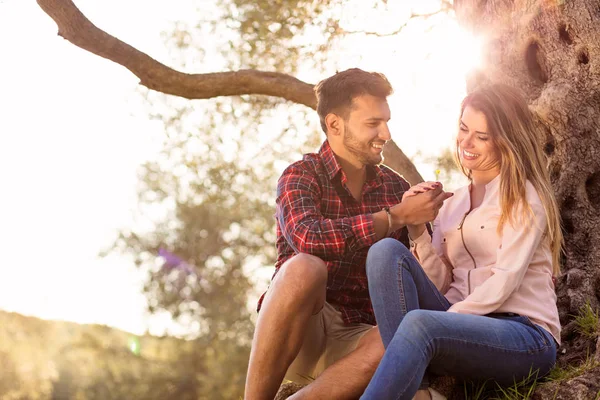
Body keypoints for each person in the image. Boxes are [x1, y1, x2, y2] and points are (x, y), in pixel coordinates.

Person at [243, 68, 453, 400]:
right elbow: (309, 238)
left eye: (386, 122)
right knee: (304, 268)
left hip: (359, 341)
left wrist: (415, 226)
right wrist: (395, 216)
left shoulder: (395, 188)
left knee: (403, 338)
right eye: (373, 123)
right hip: (299, 333)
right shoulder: (300, 175)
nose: (385, 133)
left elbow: (427, 283)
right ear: (334, 124)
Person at [360, 83, 563, 400]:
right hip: (463, 328)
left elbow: (504, 283)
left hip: (523, 336)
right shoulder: (452, 203)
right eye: (464, 129)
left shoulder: (524, 198)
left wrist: (442, 321)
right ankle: (421, 392)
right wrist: (416, 230)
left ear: (505, 142)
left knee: (419, 324)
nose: (467, 142)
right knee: (385, 251)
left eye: (482, 137)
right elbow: (440, 283)